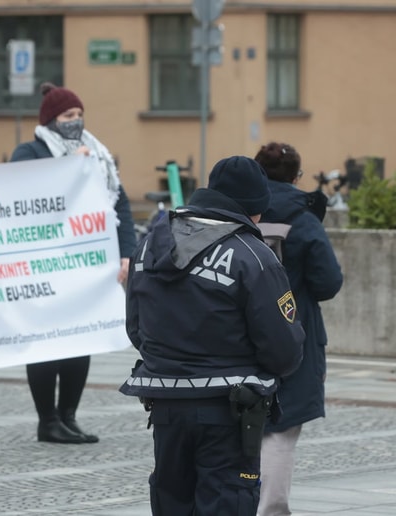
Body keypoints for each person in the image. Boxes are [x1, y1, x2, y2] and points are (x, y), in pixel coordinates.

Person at [120, 155, 305, 515]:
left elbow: (136, 327)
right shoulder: (253, 256)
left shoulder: (149, 246)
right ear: (253, 208)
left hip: (166, 405)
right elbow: (283, 350)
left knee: (172, 501)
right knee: (227, 501)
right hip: (229, 411)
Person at [10, 82, 137, 444]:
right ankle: (46, 420)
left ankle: (69, 416)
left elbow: (120, 205)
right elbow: (22, 194)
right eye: (68, 116)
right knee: (47, 342)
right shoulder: (30, 152)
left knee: (82, 340)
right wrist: (70, 168)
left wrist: (125, 253)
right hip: (46, 265)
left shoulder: (98, 155)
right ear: (51, 120)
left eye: (79, 115)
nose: (75, 121)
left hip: (86, 266)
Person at [254, 142, 343, 516]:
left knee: (235, 428)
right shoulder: (303, 219)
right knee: (281, 430)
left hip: (237, 331)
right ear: (296, 177)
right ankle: (270, 510)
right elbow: (327, 283)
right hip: (293, 331)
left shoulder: (239, 213)